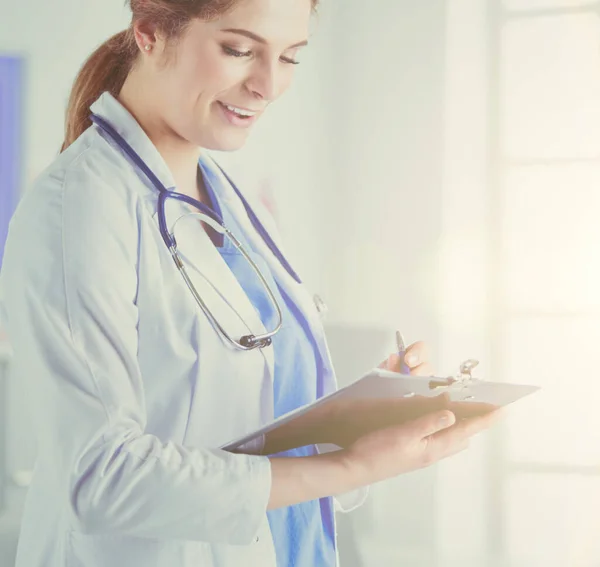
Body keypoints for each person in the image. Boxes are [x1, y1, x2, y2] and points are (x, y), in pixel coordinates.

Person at [0, 0, 498, 566]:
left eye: (289, 57)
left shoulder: (221, 196)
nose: (267, 85)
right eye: (239, 50)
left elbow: (241, 416)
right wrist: (351, 467)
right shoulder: (80, 207)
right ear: (150, 31)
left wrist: (355, 422)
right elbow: (101, 479)